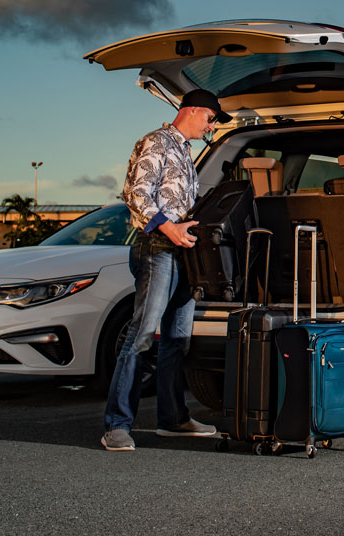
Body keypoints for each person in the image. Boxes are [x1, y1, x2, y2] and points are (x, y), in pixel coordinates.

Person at [101, 89, 232, 451]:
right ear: (191, 110)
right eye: (210, 118)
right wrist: (170, 228)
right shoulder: (156, 142)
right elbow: (136, 193)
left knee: (177, 341)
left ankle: (173, 420)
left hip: (182, 254)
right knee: (141, 334)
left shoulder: (187, 153)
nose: (211, 126)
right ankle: (116, 425)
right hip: (157, 249)